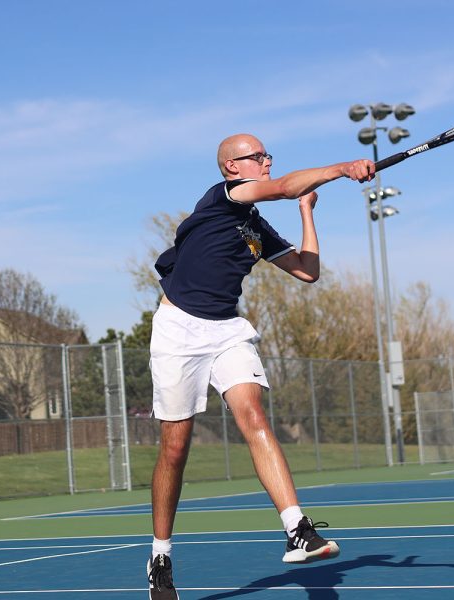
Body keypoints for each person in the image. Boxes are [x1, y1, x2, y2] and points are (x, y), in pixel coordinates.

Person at [145, 133, 375, 599]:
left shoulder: (255, 227)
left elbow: (307, 271)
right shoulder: (223, 197)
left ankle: (297, 529)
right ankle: (161, 555)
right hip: (179, 328)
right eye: (258, 156)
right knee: (175, 449)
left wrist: (308, 212)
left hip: (227, 327)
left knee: (253, 416)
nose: (267, 162)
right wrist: (343, 168)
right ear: (232, 167)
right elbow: (288, 185)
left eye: (268, 156)